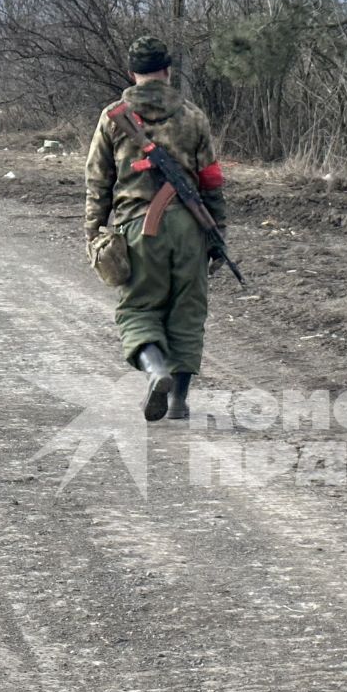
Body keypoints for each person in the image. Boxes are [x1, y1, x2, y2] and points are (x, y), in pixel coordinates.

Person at [83, 35, 227, 421]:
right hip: (190, 228)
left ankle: (155, 370)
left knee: (138, 309)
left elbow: (98, 181)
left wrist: (94, 231)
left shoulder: (112, 116)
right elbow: (211, 179)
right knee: (187, 312)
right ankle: (179, 400)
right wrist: (218, 234)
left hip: (137, 229)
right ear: (166, 70)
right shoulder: (193, 115)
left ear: (133, 73)